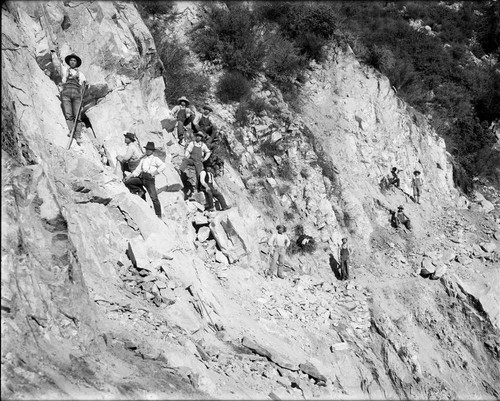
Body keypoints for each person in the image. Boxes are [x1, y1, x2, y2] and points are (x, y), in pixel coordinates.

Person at [52, 53, 87, 145]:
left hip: (76, 95)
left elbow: (84, 84)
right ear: (69, 62)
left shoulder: (81, 74)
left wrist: (86, 85)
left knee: (77, 116)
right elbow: (57, 64)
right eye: (71, 60)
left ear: (76, 63)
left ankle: (78, 135)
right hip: (66, 94)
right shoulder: (64, 70)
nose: (72, 62)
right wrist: (53, 54)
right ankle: (72, 132)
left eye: (74, 61)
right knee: (68, 114)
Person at [124, 142, 166, 218]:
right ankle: (141, 191)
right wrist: (129, 176)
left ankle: (158, 215)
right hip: (142, 177)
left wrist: (154, 173)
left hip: (149, 179)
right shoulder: (143, 159)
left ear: (152, 151)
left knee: (154, 197)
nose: (147, 151)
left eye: (149, 150)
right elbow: (137, 170)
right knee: (128, 182)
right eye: (147, 149)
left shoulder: (155, 159)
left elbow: (163, 166)